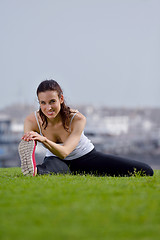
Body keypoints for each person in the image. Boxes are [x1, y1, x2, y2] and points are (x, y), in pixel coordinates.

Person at [18, 80, 154, 177]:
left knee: (146, 170)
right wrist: (29, 139)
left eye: (52, 101)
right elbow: (34, 144)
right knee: (51, 168)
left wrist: (43, 140)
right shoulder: (32, 121)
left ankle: (72, 170)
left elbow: (65, 152)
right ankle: (36, 171)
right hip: (56, 159)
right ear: (39, 102)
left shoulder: (77, 119)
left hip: (86, 157)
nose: (48, 108)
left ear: (61, 99)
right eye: (43, 103)